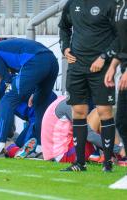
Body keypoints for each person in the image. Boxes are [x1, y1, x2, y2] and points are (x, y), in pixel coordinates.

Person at [59, 0, 118, 172]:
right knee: (78, 112)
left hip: (101, 68)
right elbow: (64, 27)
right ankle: (79, 163)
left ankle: (107, 163)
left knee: (104, 112)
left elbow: (121, 35)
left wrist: (104, 57)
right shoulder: (71, 4)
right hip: (77, 66)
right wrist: (65, 48)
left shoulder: (110, 5)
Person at [0, 38, 59, 158]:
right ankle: (41, 149)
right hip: (51, 59)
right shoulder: (9, 51)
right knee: (40, 104)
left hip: (35, 60)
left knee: (7, 100)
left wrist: (7, 80)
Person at [41, 96, 123, 163]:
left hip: (55, 156)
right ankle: (121, 155)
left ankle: (115, 156)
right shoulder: (70, 105)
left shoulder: (63, 100)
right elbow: (89, 136)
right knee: (100, 112)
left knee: (96, 116)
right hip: (64, 156)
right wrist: (118, 149)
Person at [104, 0, 127, 165]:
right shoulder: (120, 6)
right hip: (123, 68)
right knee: (121, 120)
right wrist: (113, 66)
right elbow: (121, 41)